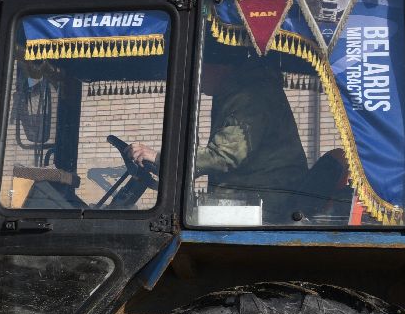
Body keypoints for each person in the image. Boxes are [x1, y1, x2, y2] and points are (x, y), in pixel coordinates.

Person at [130, 40, 309, 213]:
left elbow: (223, 156)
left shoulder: (251, 97)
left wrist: (160, 158)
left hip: (266, 204)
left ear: (218, 67)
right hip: (251, 199)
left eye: (199, 69)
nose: (196, 78)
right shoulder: (235, 93)